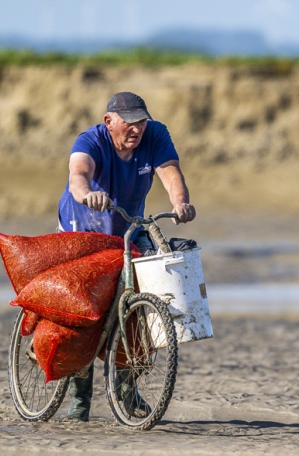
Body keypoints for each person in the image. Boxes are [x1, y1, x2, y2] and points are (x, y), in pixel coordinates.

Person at [57, 91, 196, 422]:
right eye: (129, 123)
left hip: (127, 225)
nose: (137, 129)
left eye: (141, 122)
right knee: (85, 310)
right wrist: (87, 193)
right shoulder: (90, 140)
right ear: (109, 122)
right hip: (83, 225)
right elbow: (78, 175)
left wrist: (180, 202)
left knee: (147, 295)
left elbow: (170, 171)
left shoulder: (155, 134)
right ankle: (80, 394)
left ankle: (127, 386)